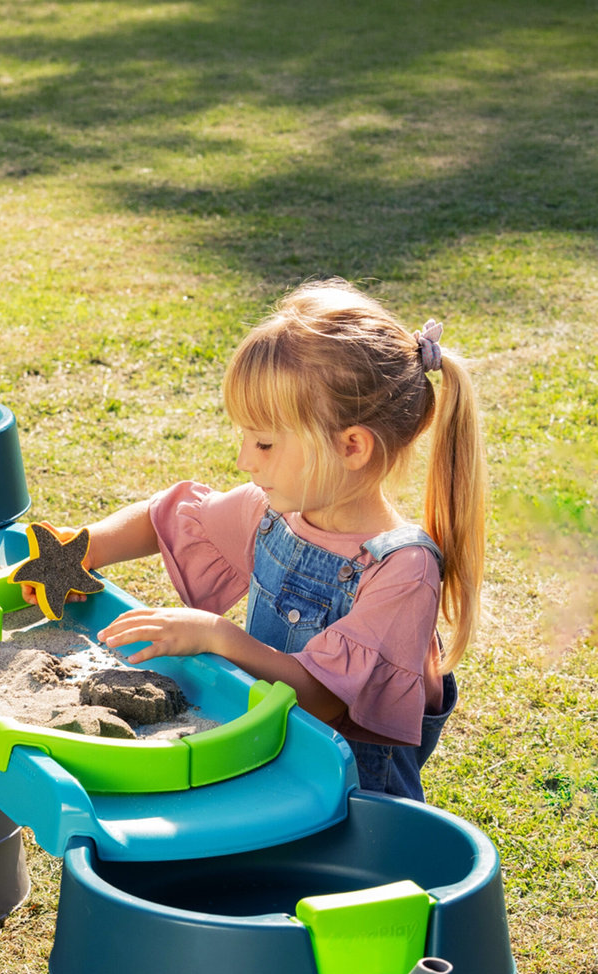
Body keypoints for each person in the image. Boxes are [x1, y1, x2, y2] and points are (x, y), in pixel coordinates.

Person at [32, 279, 485, 801]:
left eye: (265, 442)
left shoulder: (402, 570)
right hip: (273, 766)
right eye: (244, 437)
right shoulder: (274, 512)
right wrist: (81, 550)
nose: (245, 460)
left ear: (352, 446)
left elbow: (322, 699)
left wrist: (217, 636)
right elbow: (169, 515)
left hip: (353, 800)